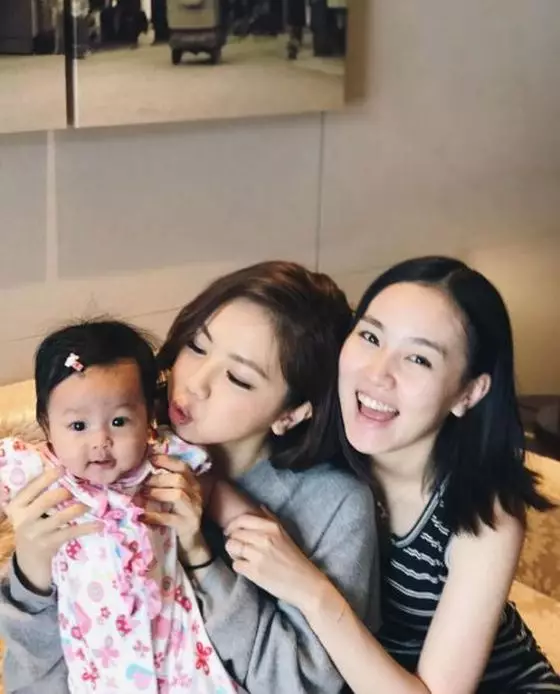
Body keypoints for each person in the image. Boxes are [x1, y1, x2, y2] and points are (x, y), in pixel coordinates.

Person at [0, 261, 380, 694]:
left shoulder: (333, 506)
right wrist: (31, 578)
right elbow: (30, 684)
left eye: (237, 377)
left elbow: (303, 685)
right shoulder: (100, 450)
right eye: (197, 347)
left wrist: (202, 558)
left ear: (291, 413)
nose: (195, 384)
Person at [224, 256, 560, 693]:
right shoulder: (327, 438)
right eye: (370, 336)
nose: (377, 374)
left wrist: (311, 591)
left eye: (418, 359)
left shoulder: (484, 515)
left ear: (469, 392)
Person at [0, 319, 239, 693]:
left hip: (177, 650)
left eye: (118, 421)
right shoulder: (38, 471)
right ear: (46, 426)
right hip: (99, 665)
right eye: (78, 426)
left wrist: (241, 522)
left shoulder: (163, 463)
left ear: (148, 420)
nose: (100, 441)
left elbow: (221, 495)